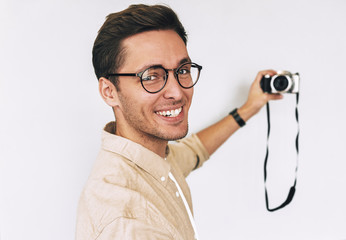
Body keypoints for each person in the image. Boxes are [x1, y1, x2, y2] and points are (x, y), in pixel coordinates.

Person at [76, 4, 282, 240]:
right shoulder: (126, 220)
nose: (177, 91)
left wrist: (249, 108)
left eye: (183, 70)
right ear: (109, 91)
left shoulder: (151, 158)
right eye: (151, 76)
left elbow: (195, 150)